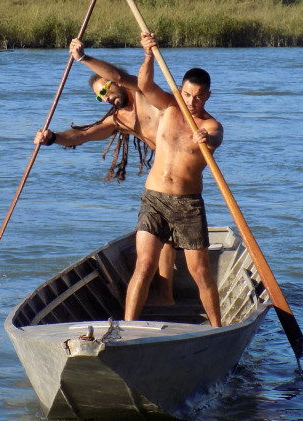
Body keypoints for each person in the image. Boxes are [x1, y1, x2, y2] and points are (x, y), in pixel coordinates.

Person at [34, 37, 177, 304]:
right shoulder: (119, 119)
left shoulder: (145, 92)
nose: (106, 98)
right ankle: (163, 294)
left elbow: (120, 75)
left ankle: (166, 293)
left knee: (169, 234)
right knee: (159, 233)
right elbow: (82, 135)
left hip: (181, 167)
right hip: (160, 174)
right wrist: (52, 138)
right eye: (100, 97)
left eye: (106, 90)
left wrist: (83, 59)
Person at [124, 32, 224, 327]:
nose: (192, 101)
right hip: (154, 198)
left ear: (208, 96)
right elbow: (143, 85)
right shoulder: (169, 106)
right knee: (144, 266)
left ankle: (218, 328)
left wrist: (206, 137)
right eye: (188, 94)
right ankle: (128, 328)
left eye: (199, 96)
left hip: (187, 204)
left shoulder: (210, 125)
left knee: (200, 272)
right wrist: (148, 54)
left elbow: (217, 137)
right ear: (181, 90)